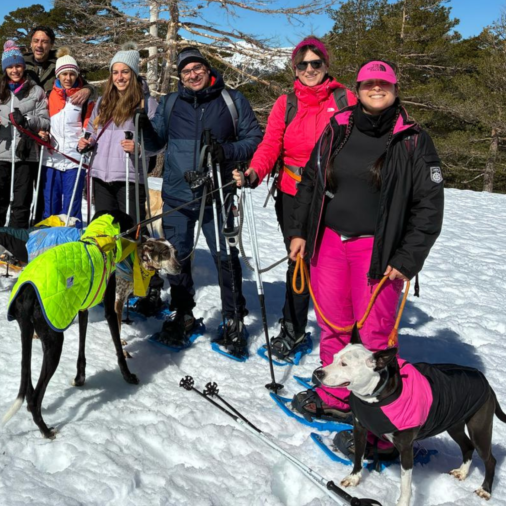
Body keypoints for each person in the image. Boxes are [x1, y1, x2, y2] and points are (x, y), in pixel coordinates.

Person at [288, 60, 444, 437]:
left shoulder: (412, 138)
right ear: (357, 89)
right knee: (333, 325)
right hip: (328, 243)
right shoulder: (338, 126)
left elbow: (429, 206)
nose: (377, 89)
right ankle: (334, 397)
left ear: (394, 88)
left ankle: (386, 424)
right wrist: (300, 230)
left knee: (376, 339)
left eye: (384, 83)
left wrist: (408, 258)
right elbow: (311, 180)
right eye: (369, 83)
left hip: (378, 251)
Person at [233, 36, 355, 362]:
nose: (310, 69)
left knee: (337, 265)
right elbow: (271, 144)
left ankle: (347, 332)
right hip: (292, 194)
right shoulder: (286, 103)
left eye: (316, 63)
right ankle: (294, 330)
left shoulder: (345, 100)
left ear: (326, 65)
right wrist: (255, 173)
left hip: (335, 196)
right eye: (303, 64)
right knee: (298, 262)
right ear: (295, 68)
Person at [143, 47, 263, 353]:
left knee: (225, 258)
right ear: (180, 76)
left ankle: (233, 318)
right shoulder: (171, 103)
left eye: (197, 68)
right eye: (185, 71)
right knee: (177, 257)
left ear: (208, 70)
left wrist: (226, 152)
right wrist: (143, 128)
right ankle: (183, 313)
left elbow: (254, 140)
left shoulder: (232, 101)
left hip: (217, 195)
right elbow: (156, 143)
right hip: (177, 197)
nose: (192, 75)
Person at [0, 41, 50, 230]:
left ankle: (15, 241)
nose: (14, 70)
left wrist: (26, 120)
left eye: (17, 66)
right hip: (1, 152)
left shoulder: (36, 91)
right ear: (5, 69)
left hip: (25, 154)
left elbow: (45, 121)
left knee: (21, 202)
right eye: (10, 67)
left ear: (23, 67)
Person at [77, 47, 157, 225]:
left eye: (125, 72)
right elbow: (92, 130)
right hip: (101, 177)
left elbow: (159, 141)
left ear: (134, 73)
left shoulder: (147, 103)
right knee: (105, 232)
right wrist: (86, 141)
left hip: (129, 177)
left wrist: (139, 148)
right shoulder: (103, 102)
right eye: (115, 72)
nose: (119, 77)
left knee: (130, 230)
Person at [41, 50, 93, 223]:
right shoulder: (49, 96)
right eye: (64, 74)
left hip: (74, 158)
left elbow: (90, 123)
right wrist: (44, 132)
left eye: (72, 74)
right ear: (58, 75)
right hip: (52, 157)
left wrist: (86, 139)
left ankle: (71, 240)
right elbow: (44, 120)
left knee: (71, 205)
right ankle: (49, 239)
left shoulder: (84, 97)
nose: (68, 78)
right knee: (50, 204)